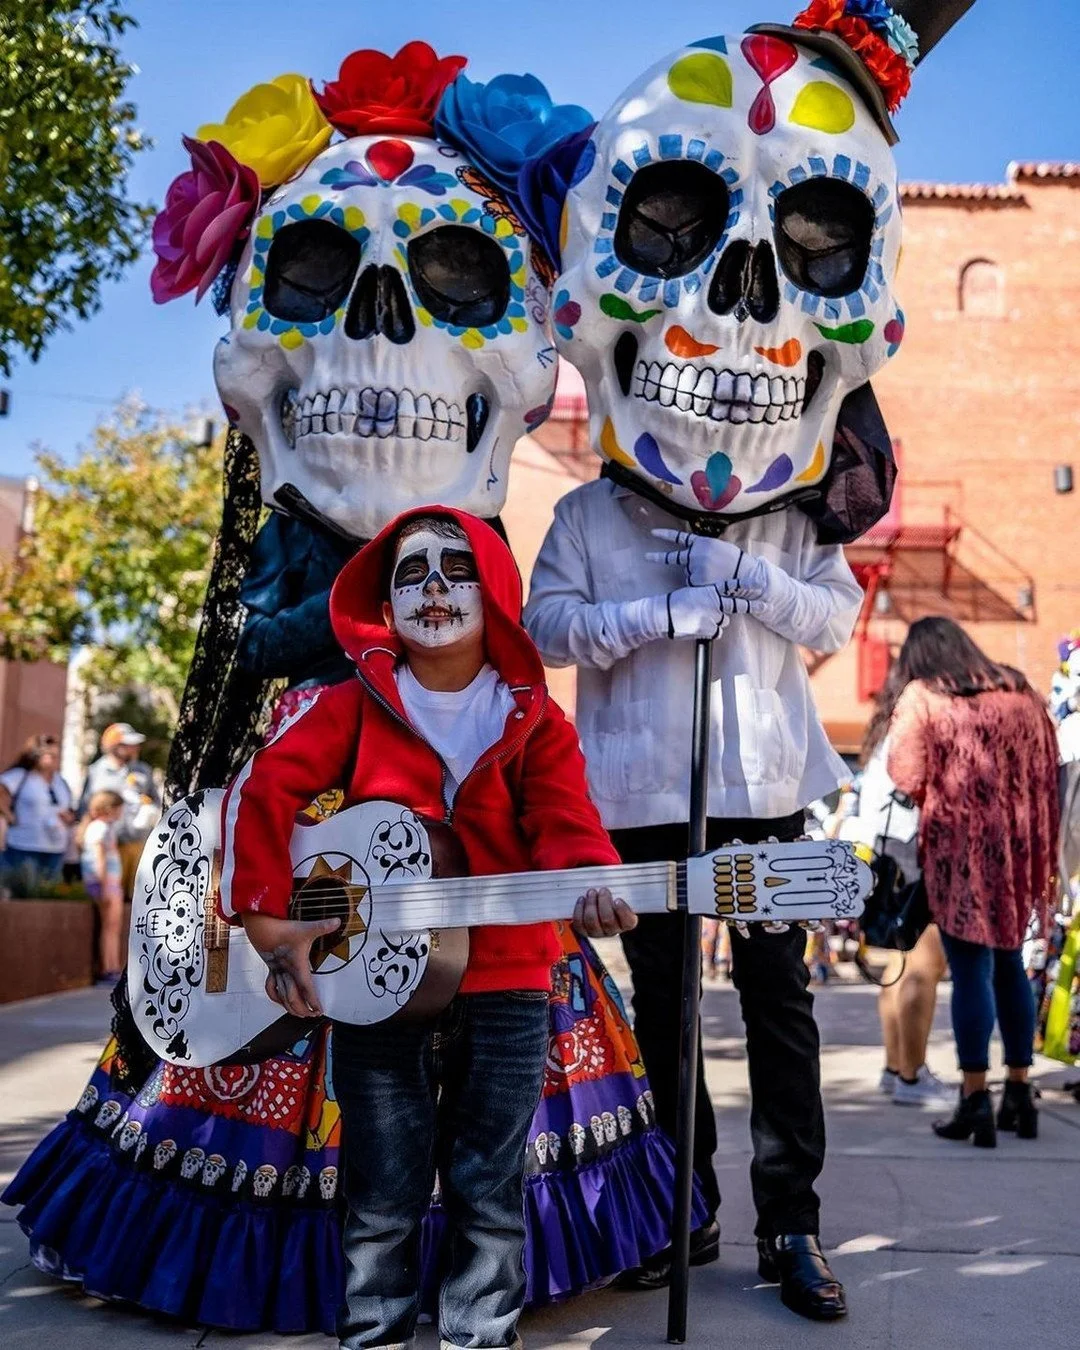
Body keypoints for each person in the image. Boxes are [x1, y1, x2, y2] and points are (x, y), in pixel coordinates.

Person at [223, 507, 637, 1350]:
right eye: (411, 573)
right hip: (370, 990)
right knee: (379, 1185)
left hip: (509, 984)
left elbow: (565, 818)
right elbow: (261, 795)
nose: (436, 587)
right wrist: (269, 924)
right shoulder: (348, 707)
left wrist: (590, 880)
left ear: (497, 595)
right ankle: (372, 1334)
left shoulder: (536, 720)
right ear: (384, 601)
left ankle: (478, 1337)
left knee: (490, 1183)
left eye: (458, 570)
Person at [887, 617, 1060, 1146]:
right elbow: (1052, 763)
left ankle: (974, 1098)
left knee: (971, 972)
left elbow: (906, 773)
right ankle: (1019, 1093)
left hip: (959, 852)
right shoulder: (1020, 690)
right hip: (1018, 850)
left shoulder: (925, 696)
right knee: (1009, 963)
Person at [845, 672, 950, 1107]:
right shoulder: (912, 727)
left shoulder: (881, 735)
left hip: (885, 861)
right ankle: (911, 1075)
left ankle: (896, 1069)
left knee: (900, 968)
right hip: (914, 859)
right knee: (925, 967)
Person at [79, 723, 160, 900]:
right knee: (108, 896)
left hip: (137, 841)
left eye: (134, 744)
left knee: (135, 897)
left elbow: (155, 800)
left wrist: (150, 810)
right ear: (113, 746)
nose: (134, 748)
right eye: (128, 743)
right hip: (106, 845)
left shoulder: (143, 770)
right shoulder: (96, 772)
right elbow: (84, 806)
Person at [0, 733, 75, 883]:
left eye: (55, 755)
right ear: (35, 755)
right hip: (25, 845)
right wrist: (9, 816)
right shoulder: (20, 776)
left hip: (55, 847)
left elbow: (68, 808)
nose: (53, 759)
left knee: (48, 893)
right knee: (22, 890)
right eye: (48, 755)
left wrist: (68, 818)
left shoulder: (60, 781)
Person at [78, 790, 126, 984]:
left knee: (113, 927)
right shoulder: (100, 828)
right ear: (109, 809)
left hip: (110, 883)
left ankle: (113, 965)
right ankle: (108, 968)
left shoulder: (101, 827)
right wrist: (105, 884)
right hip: (106, 884)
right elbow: (99, 858)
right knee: (110, 928)